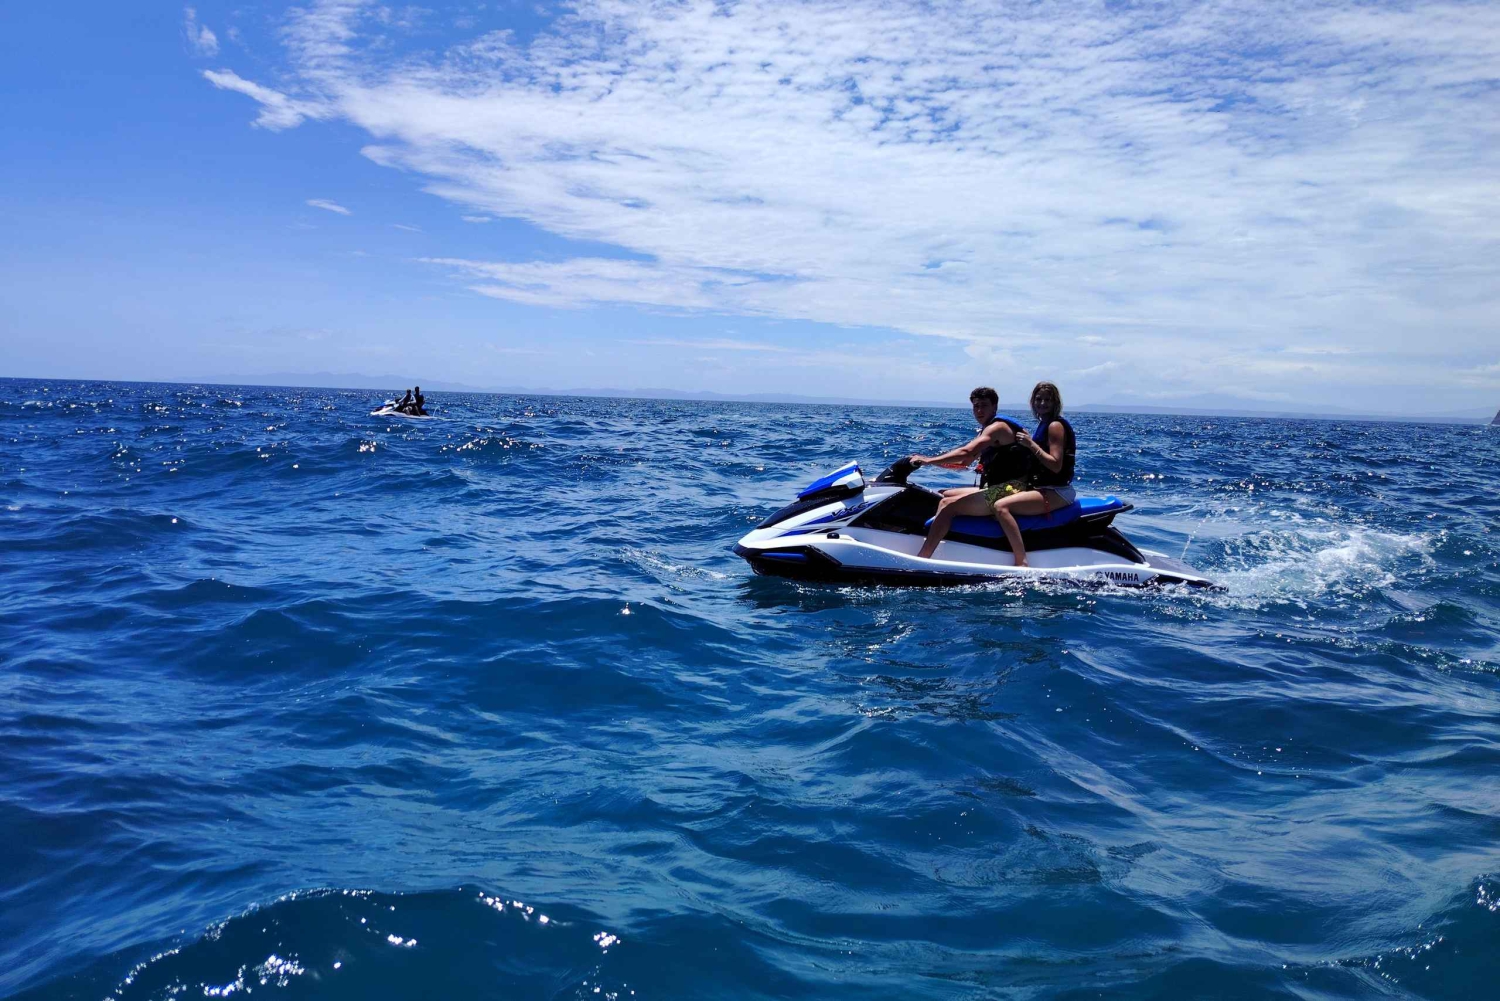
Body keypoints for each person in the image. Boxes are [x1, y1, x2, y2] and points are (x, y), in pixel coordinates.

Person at [916, 381, 1075, 568]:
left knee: (954, 506)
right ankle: (952, 546)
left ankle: (923, 558)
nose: (979, 410)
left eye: (984, 406)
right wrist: (928, 465)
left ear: (995, 407)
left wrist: (928, 460)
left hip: (1028, 487)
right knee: (944, 495)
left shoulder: (1043, 425)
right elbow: (966, 461)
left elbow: (967, 452)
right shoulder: (1037, 424)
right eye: (976, 406)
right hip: (1020, 485)